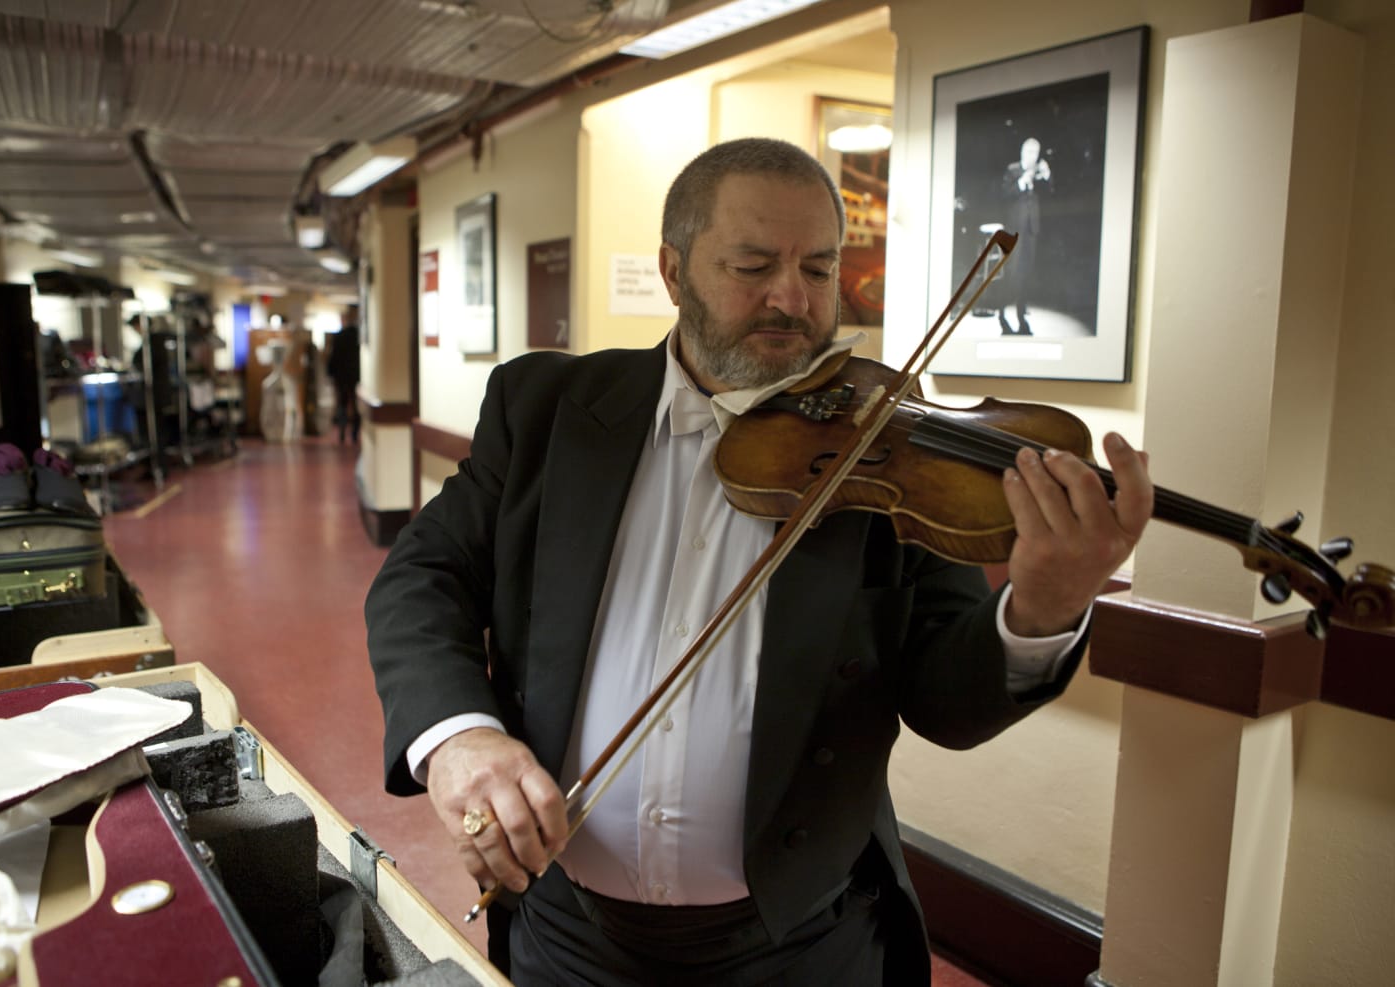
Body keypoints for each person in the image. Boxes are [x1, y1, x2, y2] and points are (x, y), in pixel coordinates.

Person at [365, 137, 1151, 985]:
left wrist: (1039, 614)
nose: (793, 298)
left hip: (801, 947)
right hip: (570, 934)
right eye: (752, 265)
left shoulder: (883, 451)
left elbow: (947, 701)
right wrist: (459, 737)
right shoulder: (545, 411)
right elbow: (422, 576)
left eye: (819, 268)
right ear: (673, 273)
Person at [998, 137, 1051, 336]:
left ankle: (1021, 310)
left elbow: (1050, 192)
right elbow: (1003, 194)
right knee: (1012, 271)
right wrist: (1022, 182)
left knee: (1027, 272)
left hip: (1032, 229)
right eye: (1029, 152)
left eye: (1035, 153)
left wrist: (1046, 175)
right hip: (1014, 229)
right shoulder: (1012, 170)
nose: (1032, 156)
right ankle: (1003, 311)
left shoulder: (1038, 172)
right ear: (1022, 152)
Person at [327, 306, 362, 444]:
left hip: (342, 377)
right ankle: (354, 433)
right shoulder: (358, 336)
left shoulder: (340, 336)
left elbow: (333, 357)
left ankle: (342, 431)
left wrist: (331, 373)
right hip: (354, 376)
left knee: (343, 404)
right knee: (354, 404)